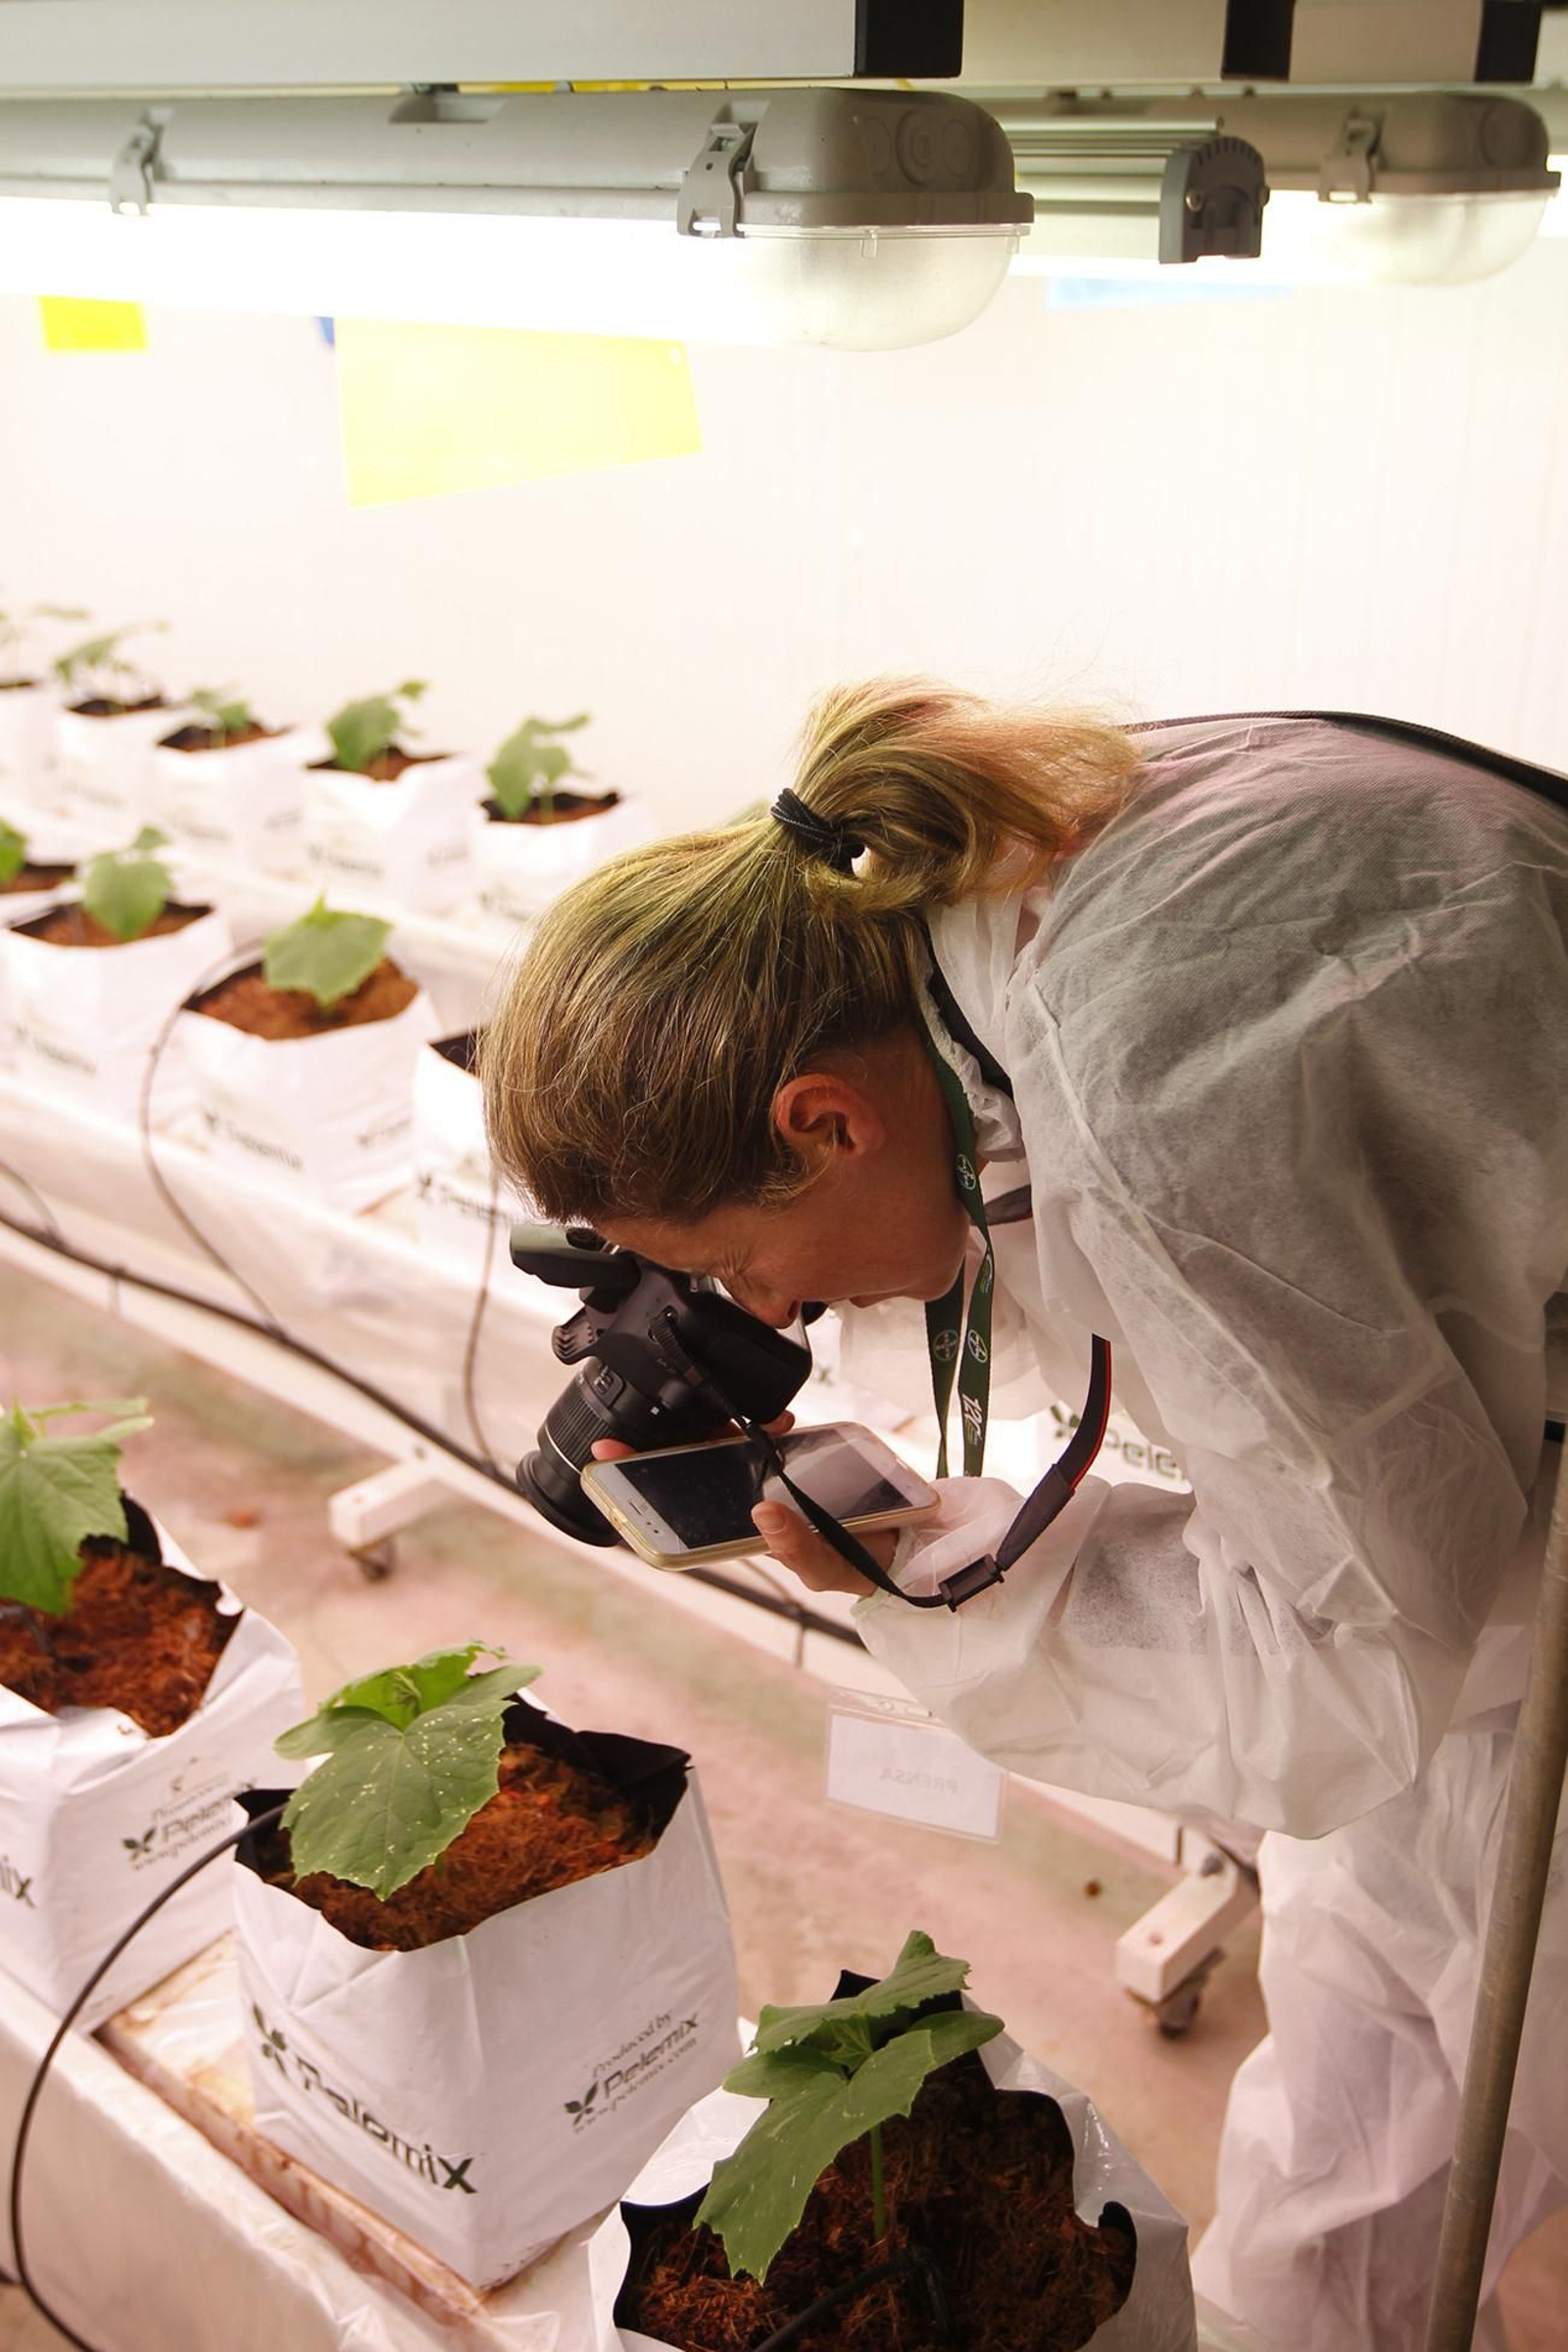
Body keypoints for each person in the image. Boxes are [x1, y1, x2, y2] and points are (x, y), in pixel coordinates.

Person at [480, 680, 1568, 2352]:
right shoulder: (969, 914)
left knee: (1511, 2038)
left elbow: (1347, 1671)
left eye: (726, 1271)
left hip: (1503, 1594)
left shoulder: (1156, 1082)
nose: (770, 1314)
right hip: (1495, 1531)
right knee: (1354, 2110)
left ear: (822, 1120)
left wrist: (973, 1594)